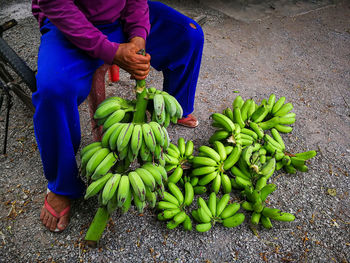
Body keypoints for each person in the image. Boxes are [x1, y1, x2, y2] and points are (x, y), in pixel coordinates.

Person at [31, 0, 204, 232]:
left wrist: (138, 37)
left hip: (119, 16)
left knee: (189, 35)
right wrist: (111, 51)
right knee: (54, 90)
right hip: (69, 21)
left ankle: (177, 106)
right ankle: (61, 185)